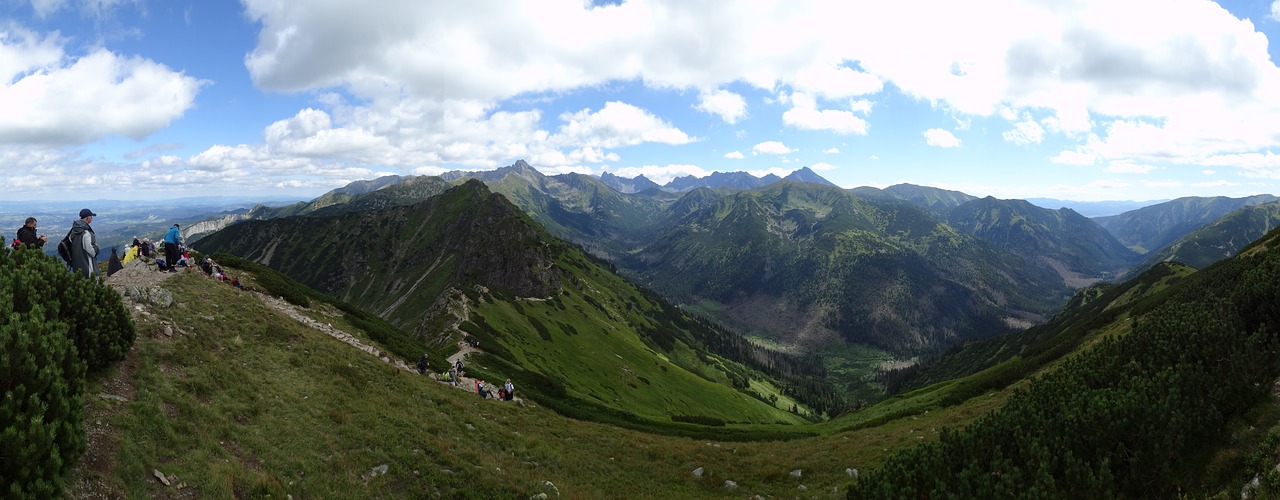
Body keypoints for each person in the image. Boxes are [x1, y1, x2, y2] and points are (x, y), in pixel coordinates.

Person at [68, 208, 99, 278]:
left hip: (76, 264)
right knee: (92, 283)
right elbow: (91, 251)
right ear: (88, 218)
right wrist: (96, 248)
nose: (91, 219)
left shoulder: (74, 230)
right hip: (87, 266)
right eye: (91, 217)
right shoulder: (86, 233)